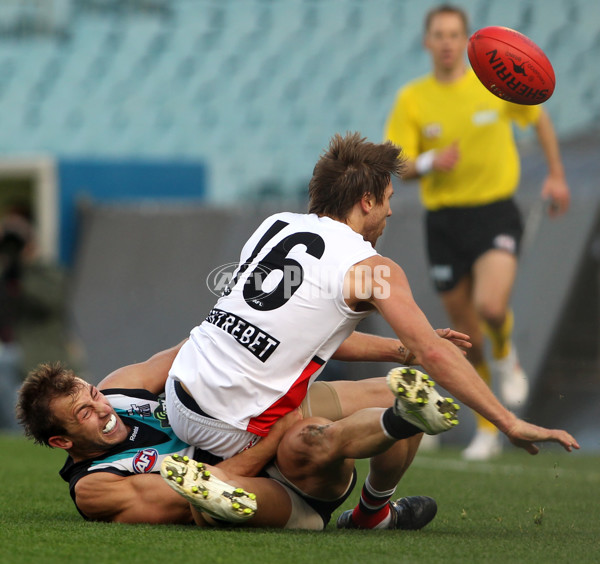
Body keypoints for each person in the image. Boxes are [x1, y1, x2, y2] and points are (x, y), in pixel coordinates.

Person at [161, 131, 577, 529]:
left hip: (181, 392)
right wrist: (508, 422)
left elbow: (299, 329)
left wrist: (400, 350)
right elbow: (434, 354)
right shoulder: (371, 268)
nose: (391, 211)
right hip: (233, 422)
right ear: (366, 200)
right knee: (402, 404)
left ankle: (236, 477)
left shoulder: (275, 226)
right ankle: (359, 510)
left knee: (397, 384)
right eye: (388, 199)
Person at [16, 344, 578, 530]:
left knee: (374, 396)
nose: (101, 408)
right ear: (63, 443)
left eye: (90, 393)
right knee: (238, 482)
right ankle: (379, 493)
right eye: (83, 414)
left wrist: (399, 348)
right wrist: (275, 421)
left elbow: (201, 351)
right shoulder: (95, 488)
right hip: (263, 496)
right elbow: (189, 495)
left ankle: (399, 432)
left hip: (250, 441)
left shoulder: (120, 390)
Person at [384, 5, 571, 460]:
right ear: (427, 42)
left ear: (468, 41)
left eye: (454, 34)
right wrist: (430, 161)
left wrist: (556, 174)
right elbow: (398, 161)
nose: (447, 42)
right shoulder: (413, 99)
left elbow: (539, 118)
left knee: (490, 306)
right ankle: (488, 425)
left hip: (493, 212)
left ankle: (507, 355)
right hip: (445, 221)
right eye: (439, 34)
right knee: (465, 331)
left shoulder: (496, 82)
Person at [0, 208, 83, 429]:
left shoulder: (46, 272)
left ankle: (18, 433)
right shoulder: (4, 273)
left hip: (36, 351)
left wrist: (21, 272)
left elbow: (50, 302)